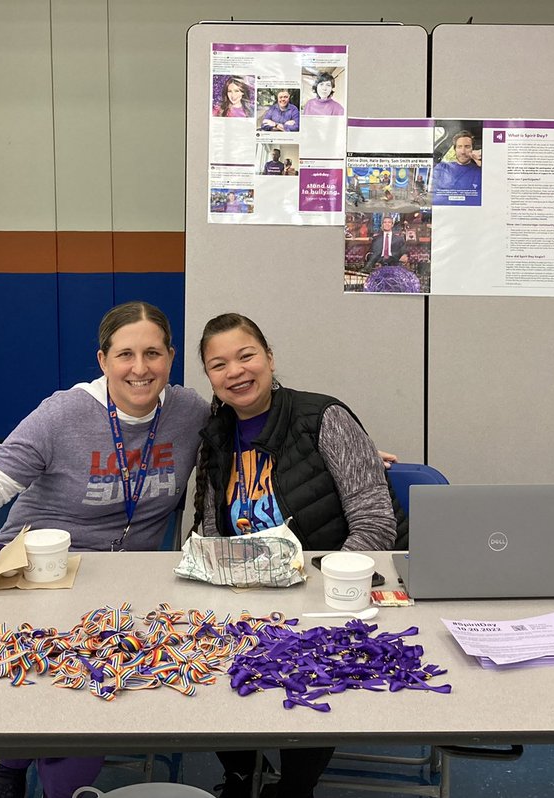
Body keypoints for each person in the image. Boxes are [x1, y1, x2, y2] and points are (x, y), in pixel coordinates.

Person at [0, 301, 209, 798]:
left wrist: (334, 449)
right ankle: (9, 762)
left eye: (153, 353)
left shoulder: (190, 412)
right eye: (125, 354)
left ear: (171, 358)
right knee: (45, 682)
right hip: (36, 576)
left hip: (121, 592)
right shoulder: (65, 413)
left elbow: (255, 431)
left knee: (84, 706)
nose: (140, 368)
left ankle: (44, 769)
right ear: (102, 360)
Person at [189, 313, 405, 798]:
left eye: (246, 356)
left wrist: (322, 593)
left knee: (313, 658)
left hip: (325, 591)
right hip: (246, 594)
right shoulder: (216, 435)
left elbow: (375, 522)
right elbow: (208, 531)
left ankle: (295, 786)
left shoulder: (323, 418)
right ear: (209, 377)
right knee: (210, 648)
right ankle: (240, 775)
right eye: (219, 364)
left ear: (269, 357)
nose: (236, 372)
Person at [431, 129, 482, 198]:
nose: (463, 152)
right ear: (455, 149)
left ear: (473, 149)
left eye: (467, 147)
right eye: (459, 147)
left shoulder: (481, 171)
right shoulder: (442, 167)